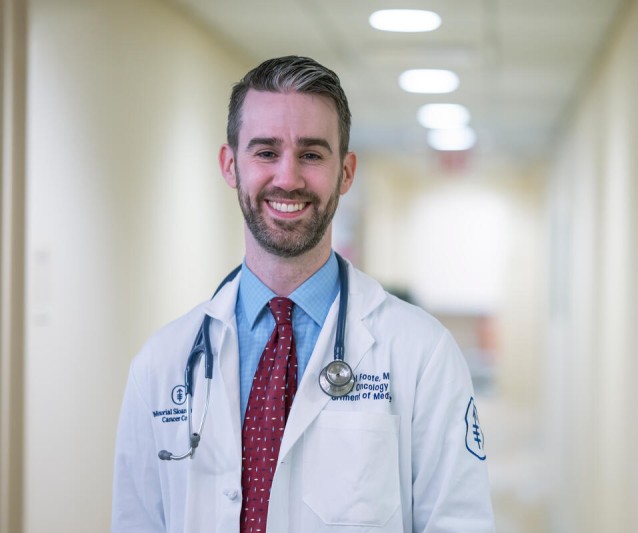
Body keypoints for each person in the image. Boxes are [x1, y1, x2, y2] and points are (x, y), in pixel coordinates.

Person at [111, 55, 495, 533]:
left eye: (311, 154)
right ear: (231, 165)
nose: (288, 178)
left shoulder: (422, 353)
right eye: (266, 152)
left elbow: (458, 523)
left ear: (346, 172)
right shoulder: (162, 361)